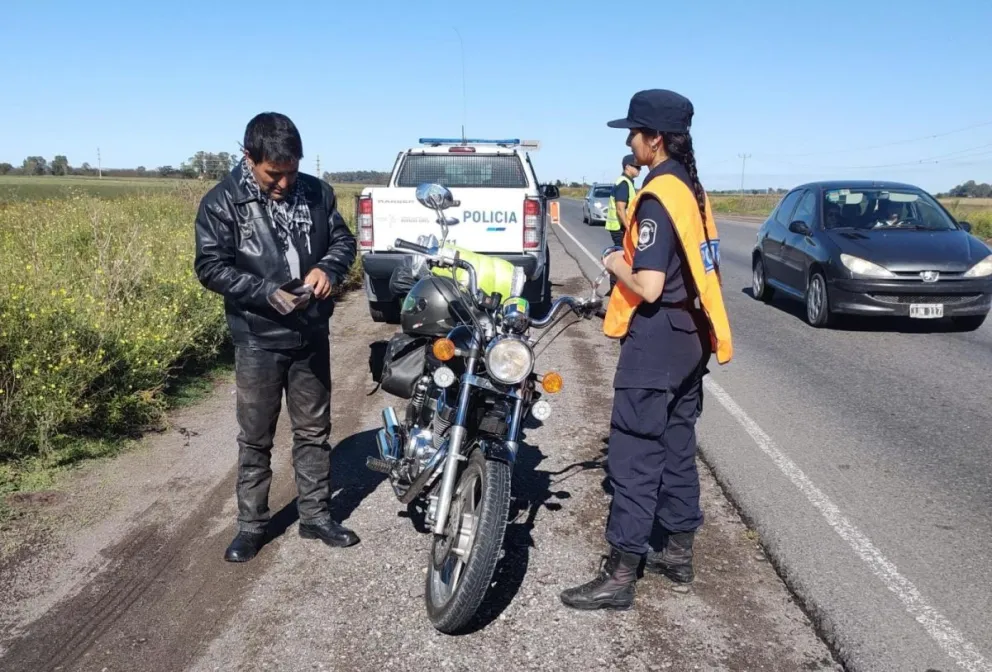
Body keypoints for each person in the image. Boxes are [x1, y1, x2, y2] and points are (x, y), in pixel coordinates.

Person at [560, 89, 733, 610]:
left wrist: (614, 261)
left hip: (658, 338)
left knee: (635, 452)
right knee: (677, 445)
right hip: (691, 336)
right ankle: (677, 553)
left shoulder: (657, 195)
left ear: (655, 139)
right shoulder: (692, 190)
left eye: (634, 133)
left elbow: (650, 285)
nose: (630, 142)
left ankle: (620, 574)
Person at [194, 112, 360, 563]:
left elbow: (343, 243)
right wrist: (266, 293)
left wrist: (328, 269)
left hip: (310, 333)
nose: (285, 183)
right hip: (257, 338)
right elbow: (210, 267)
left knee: (313, 431)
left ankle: (316, 517)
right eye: (274, 174)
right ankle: (251, 527)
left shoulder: (318, 192)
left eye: (292, 171)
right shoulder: (222, 202)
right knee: (255, 438)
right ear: (249, 157)